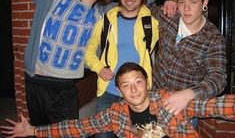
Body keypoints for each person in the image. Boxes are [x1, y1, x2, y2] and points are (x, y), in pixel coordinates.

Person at [0, 0, 189, 127]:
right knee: (39, 131)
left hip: (67, 86)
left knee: (66, 133)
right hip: (36, 80)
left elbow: (135, 0)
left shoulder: (102, 13)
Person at [1, 62, 235, 138]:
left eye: (138, 82)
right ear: (119, 91)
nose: (133, 90)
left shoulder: (169, 102)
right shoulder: (116, 113)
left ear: (147, 82)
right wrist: (33, 131)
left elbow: (214, 105)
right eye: (126, 85)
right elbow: (77, 126)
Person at [84, 0, 159, 138]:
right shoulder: (105, 22)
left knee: (144, 135)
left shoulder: (151, 24)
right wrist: (99, 68)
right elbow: (88, 52)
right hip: (109, 91)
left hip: (139, 94)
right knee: (103, 136)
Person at [150, 0, 227, 123]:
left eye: (193, 2)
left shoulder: (213, 38)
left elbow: (218, 78)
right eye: (182, 2)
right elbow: (139, 3)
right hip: (155, 101)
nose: (186, 9)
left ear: (204, 3)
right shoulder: (168, 16)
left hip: (184, 109)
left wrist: (188, 94)